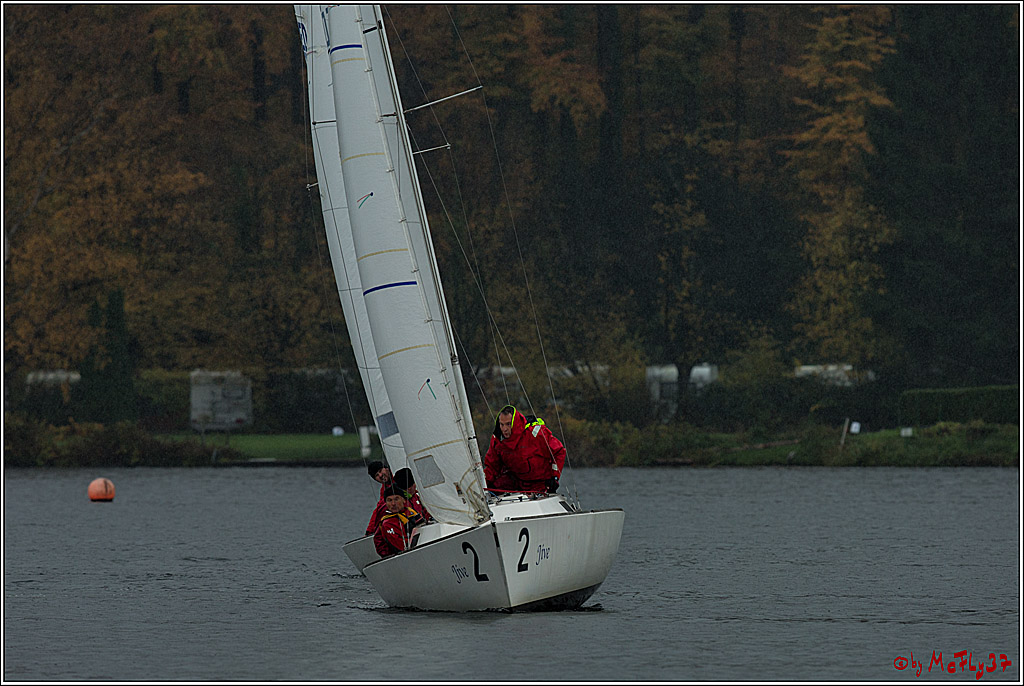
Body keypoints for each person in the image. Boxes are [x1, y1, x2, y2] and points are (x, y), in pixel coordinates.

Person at [483, 404, 566, 494]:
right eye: (502, 425)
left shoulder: (535, 434)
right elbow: (492, 466)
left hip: (540, 483)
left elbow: (559, 452)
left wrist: (555, 477)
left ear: (515, 423)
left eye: (508, 424)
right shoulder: (497, 441)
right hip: (515, 481)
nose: (504, 429)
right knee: (492, 487)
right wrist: (482, 483)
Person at [373, 486, 425, 557]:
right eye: (389, 500)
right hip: (401, 556)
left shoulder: (410, 512)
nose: (393, 503)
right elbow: (401, 547)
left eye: (396, 499)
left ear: (404, 500)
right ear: (386, 503)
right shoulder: (388, 523)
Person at [364, 460, 394, 536]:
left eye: (380, 471)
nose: (380, 475)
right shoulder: (384, 490)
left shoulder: (400, 476)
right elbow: (379, 509)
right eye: (377, 475)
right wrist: (369, 531)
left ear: (386, 468)